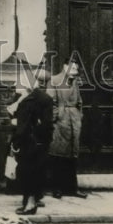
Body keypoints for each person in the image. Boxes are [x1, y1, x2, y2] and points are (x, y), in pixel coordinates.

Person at [11, 67, 53, 215]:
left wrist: (15, 143)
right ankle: (30, 201)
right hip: (41, 142)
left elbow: (22, 127)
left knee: (26, 173)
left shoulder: (26, 101)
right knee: (37, 173)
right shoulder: (46, 98)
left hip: (28, 142)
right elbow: (48, 124)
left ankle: (29, 205)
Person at [47, 58, 87, 199]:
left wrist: (79, 116)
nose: (75, 72)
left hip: (74, 121)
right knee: (58, 154)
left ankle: (72, 188)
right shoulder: (54, 80)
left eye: (76, 69)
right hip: (61, 121)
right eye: (73, 68)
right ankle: (57, 188)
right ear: (65, 67)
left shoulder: (75, 81)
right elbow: (50, 102)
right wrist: (56, 117)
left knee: (72, 154)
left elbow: (79, 101)